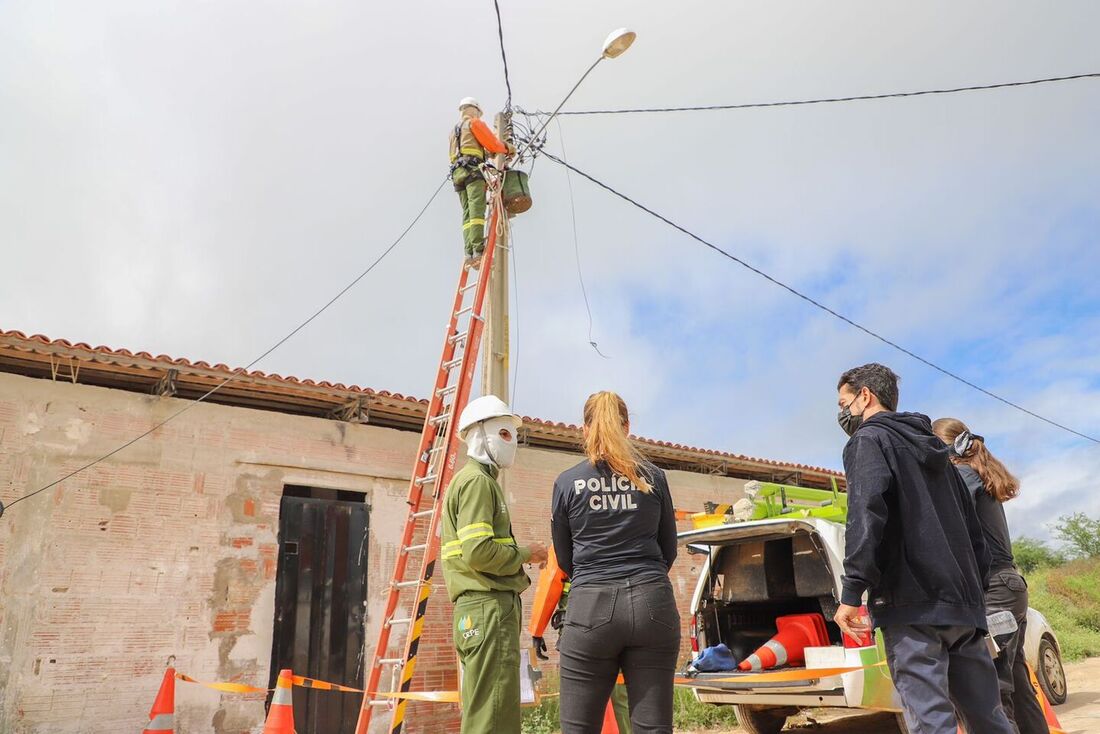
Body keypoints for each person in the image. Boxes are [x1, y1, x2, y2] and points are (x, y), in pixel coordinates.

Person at [832, 363, 1013, 734]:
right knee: (989, 719)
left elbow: (866, 514)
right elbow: (973, 533)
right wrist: (973, 593)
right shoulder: (942, 456)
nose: (842, 413)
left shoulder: (868, 440)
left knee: (932, 723)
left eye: (844, 402)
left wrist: (852, 591)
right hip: (963, 608)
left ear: (865, 396)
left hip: (912, 607)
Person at [551, 391, 680, 734]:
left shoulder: (567, 483)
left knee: (579, 729)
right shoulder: (654, 477)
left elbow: (565, 559)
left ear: (584, 429)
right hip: (653, 602)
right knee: (653, 728)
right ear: (627, 426)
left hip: (590, 607)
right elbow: (669, 548)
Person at [933, 418, 1050, 734]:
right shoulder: (979, 476)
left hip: (994, 591)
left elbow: (946, 528)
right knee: (1018, 685)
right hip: (1009, 587)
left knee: (992, 691)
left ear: (945, 449)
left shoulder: (962, 477)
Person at [440, 395, 548, 734]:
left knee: (483, 707)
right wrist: (526, 554)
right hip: (489, 608)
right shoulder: (477, 483)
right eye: (504, 433)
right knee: (495, 712)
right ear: (479, 434)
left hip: (477, 611)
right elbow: (479, 552)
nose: (511, 442)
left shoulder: (472, 481)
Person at [449, 97, 508, 265]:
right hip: (473, 173)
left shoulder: (453, 132)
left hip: (458, 174)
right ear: (474, 110)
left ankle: (468, 252)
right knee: (476, 210)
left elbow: (464, 149)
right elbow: (494, 144)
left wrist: (485, 153)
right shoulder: (474, 123)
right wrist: (507, 149)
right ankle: (477, 249)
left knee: (467, 214)